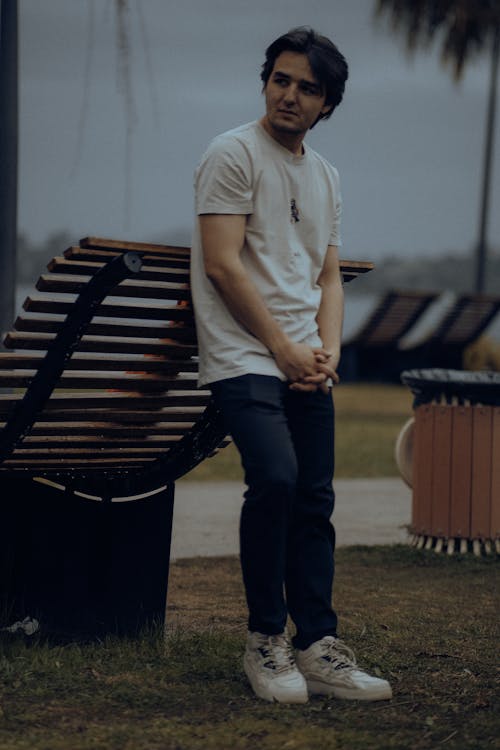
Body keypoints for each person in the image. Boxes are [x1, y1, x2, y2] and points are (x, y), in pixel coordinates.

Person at [190, 26, 392, 704]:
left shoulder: (326, 175)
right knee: (276, 479)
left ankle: (318, 647)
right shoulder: (232, 153)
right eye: (281, 79)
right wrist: (281, 347)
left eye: (308, 88)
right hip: (243, 353)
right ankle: (266, 642)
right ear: (265, 82)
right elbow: (221, 263)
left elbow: (328, 276)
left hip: (302, 355)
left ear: (327, 103)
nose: (290, 95)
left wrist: (326, 350)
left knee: (314, 497)